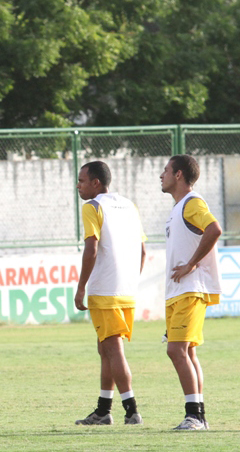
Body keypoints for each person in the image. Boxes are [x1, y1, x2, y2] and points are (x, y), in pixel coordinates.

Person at [73, 161, 145, 426]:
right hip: (126, 289)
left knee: (113, 349)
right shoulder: (129, 206)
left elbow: (91, 249)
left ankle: (131, 409)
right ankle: (103, 411)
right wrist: (129, 281)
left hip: (105, 291)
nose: (78, 186)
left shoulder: (92, 207)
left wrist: (81, 287)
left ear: (96, 183)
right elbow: (143, 250)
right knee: (105, 349)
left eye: (81, 181)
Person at [160, 155, 222, 431]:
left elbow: (214, 229)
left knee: (177, 350)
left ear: (179, 175)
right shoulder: (177, 208)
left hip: (190, 289)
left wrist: (192, 263)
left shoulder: (192, 203)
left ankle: (195, 416)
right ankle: (198, 415)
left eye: (165, 170)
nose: (161, 175)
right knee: (188, 353)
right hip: (176, 291)